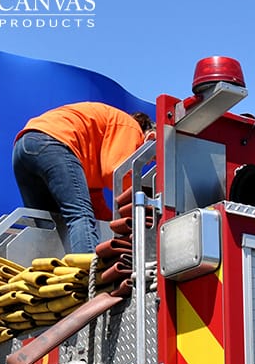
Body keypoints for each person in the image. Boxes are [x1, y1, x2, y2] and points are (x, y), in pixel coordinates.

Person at [12, 102, 154, 257]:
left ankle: (47, 272)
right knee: (80, 216)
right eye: (151, 156)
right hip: (54, 142)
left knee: (48, 225)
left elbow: (96, 204)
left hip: (24, 146)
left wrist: (114, 225)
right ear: (150, 137)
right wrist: (143, 206)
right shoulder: (131, 127)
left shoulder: (91, 156)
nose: (149, 162)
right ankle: (86, 275)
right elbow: (115, 173)